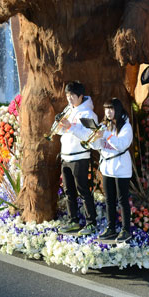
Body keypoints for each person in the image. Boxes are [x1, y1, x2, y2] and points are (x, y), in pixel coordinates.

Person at [55, 81, 98, 235]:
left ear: (81, 96)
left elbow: (89, 136)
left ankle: (91, 222)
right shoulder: (68, 110)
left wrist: (70, 127)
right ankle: (73, 220)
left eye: (72, 95)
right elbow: (60, 132)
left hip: (79, 157)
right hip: (65, 156)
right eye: (67, 95)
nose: (69, 98)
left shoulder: (88, 114)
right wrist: (59, 124)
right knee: (68, 191)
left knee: (83, 191)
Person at [93, 98, 133, 243]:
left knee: (122, 201)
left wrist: (106, 135)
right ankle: (111, 228)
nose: (108, 112)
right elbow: (97, 146)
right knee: (109, 200)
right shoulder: (104, 125)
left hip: (121, 168)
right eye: (106, 109)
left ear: (118, 110)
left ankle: (125, 230)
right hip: (107, 168)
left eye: (111, 109)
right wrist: (96, 138)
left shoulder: (126, 127)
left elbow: (121, 145)